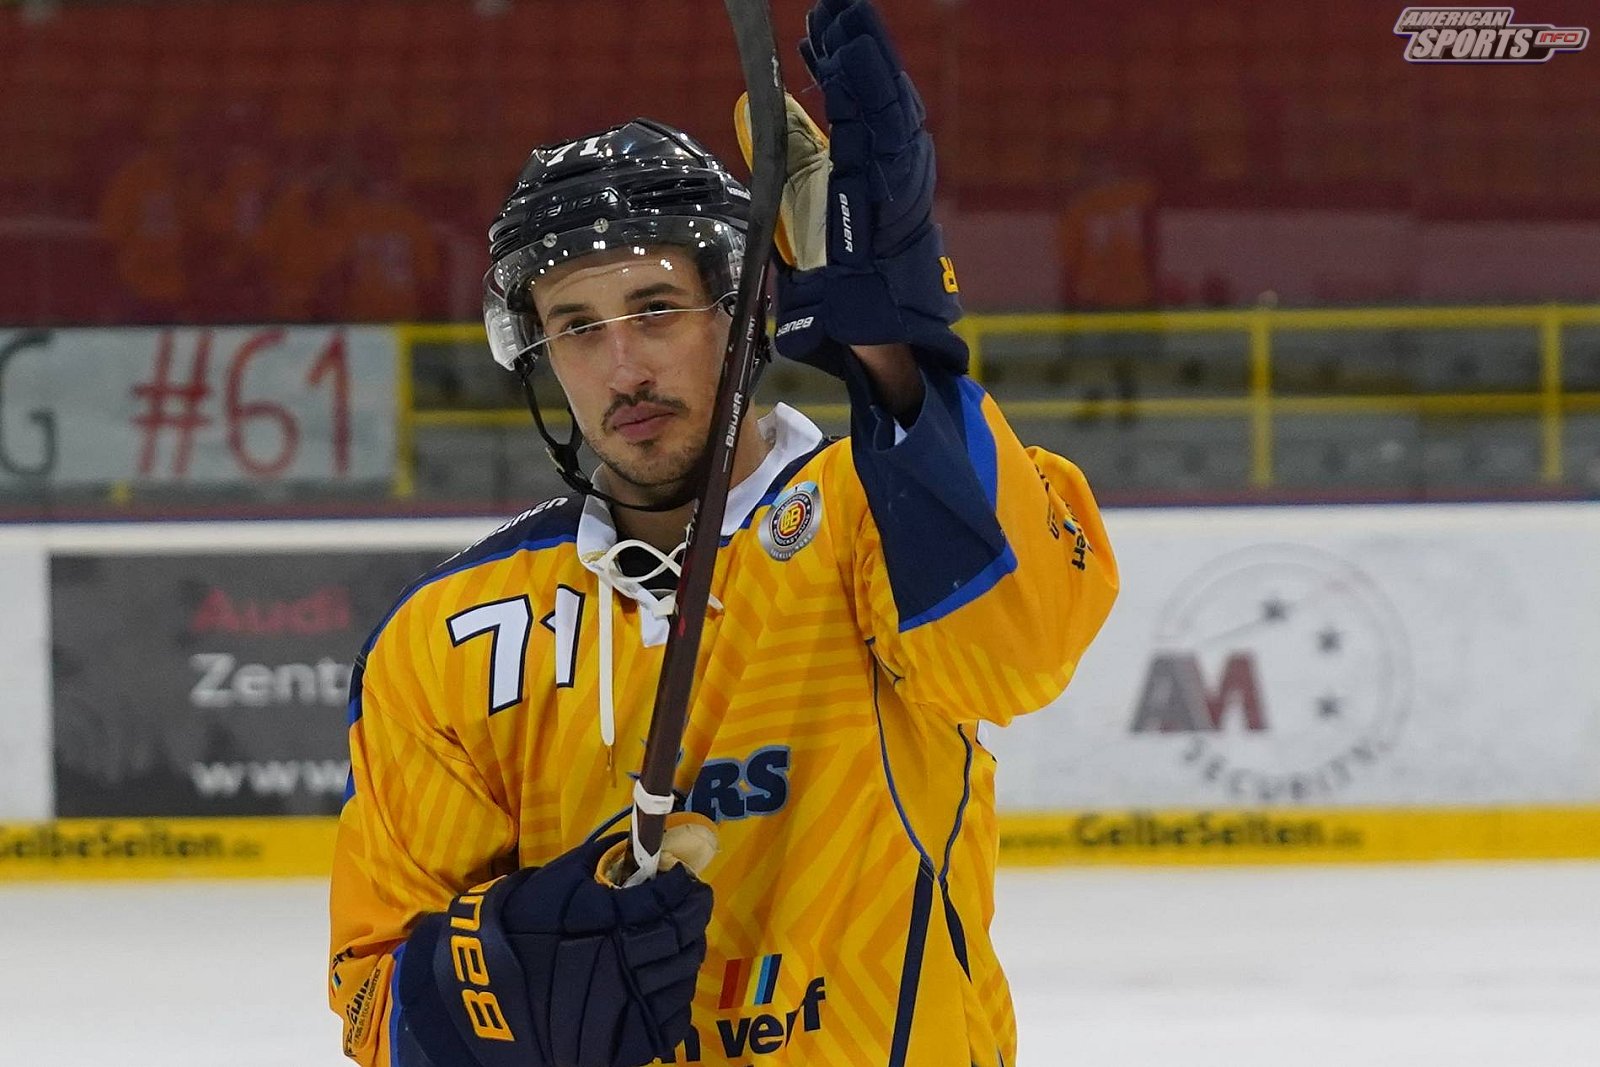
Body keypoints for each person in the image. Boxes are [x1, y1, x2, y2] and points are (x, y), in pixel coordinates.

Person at [328, 2, 1118, 1065]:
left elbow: (1014, 651)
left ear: (741, 313)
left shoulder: (868, 510)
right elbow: (373, 1001)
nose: (623, 367)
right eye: (576, 327)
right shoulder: (443, 637)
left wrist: (896, 363)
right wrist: (501, 984)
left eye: (656, 309)